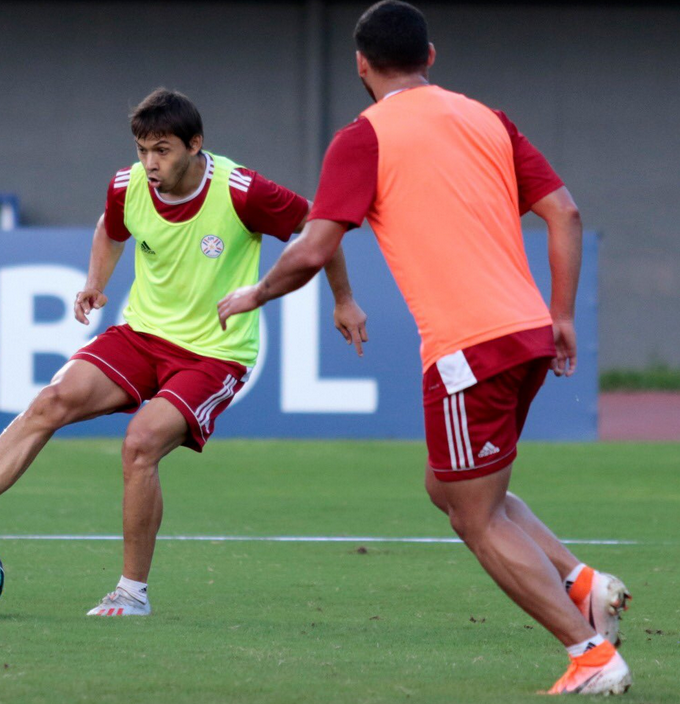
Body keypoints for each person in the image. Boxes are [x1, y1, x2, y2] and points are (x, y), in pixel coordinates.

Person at [217, 2, 631, 695]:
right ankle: (584, 584)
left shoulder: (363, 137)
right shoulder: (487, 118)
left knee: (473, 514)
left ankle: (590, 652)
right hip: (525, 335)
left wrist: (255, 294)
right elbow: (566, 212)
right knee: (450, 487)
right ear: (431, 56)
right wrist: (561, 315)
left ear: (360, 64)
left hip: (471, 349)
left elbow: (315, 246)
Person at [0, 88, 368, 617]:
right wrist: (95, 281)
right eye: (142, 149)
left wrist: (343, 301)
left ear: (195, 144)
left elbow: (319, 231)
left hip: (215, 353)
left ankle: (131, 593)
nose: (149, 163)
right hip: (143, 334)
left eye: (162, 150)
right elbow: (110, 230)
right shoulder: (127, 185)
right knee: (51, 400)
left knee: (140, 444)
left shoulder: (241, 190)